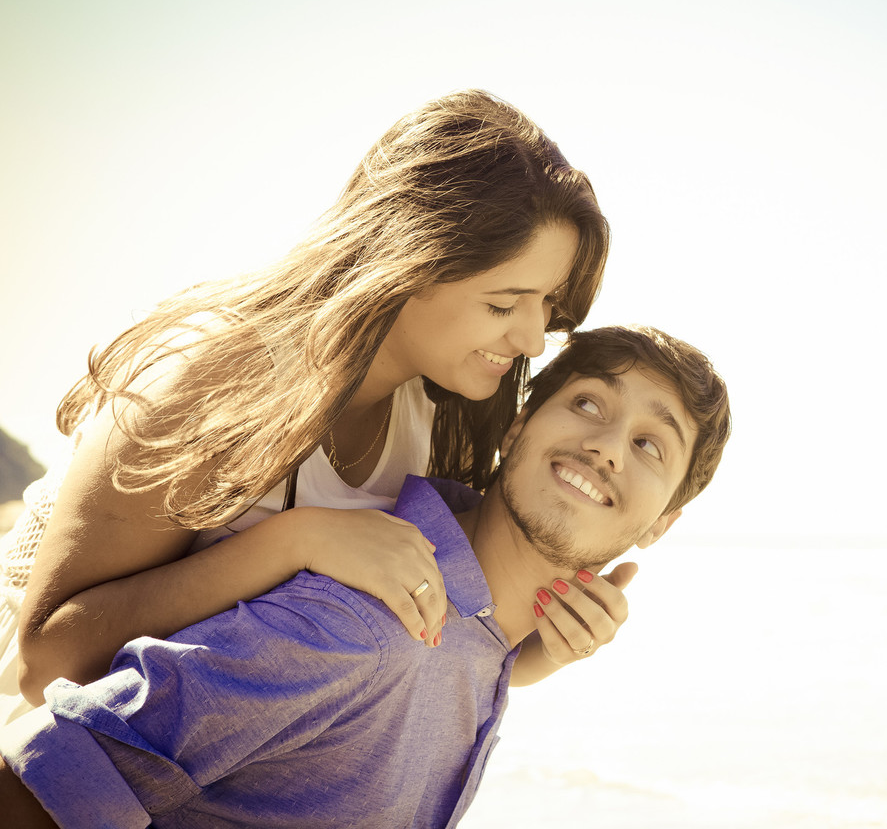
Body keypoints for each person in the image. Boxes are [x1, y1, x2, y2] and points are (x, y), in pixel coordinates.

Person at [0, 89, 619, 725]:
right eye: (503, 304)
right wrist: (298, 541)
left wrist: (543, 649)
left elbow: (393, 654)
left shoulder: (445, 415)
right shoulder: (217, 377)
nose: (532, 340)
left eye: (548, 303)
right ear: (408, 262)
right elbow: (46, 662)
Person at [0, 325, 733, 828]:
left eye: (649, 444)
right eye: (587, 403)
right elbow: (36, 775)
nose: (607, 446)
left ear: (662, 522)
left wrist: (531, 657)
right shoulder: (367, 625)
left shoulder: (480, 638)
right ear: (515, 429)